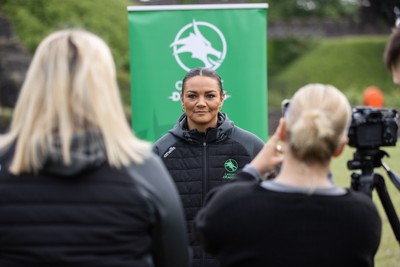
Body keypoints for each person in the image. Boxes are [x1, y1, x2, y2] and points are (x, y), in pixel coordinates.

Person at [0, 29, 190, 267]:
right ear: (104, 88)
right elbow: (175, 259)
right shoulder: (143, 169)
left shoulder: (4, 164)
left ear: (34, 84)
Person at [194, 84, 382, 267]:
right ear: (340, 147)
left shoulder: (233, 205)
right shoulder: (363, 216)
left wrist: (253, 170)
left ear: (282, 131)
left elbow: (206, 227)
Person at [152, 67, 264, 267]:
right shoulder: (161, 151)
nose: (201, 103)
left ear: (221, 99)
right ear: (182, 99)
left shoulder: (251, 147)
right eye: (192, 96)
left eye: (210, 96)